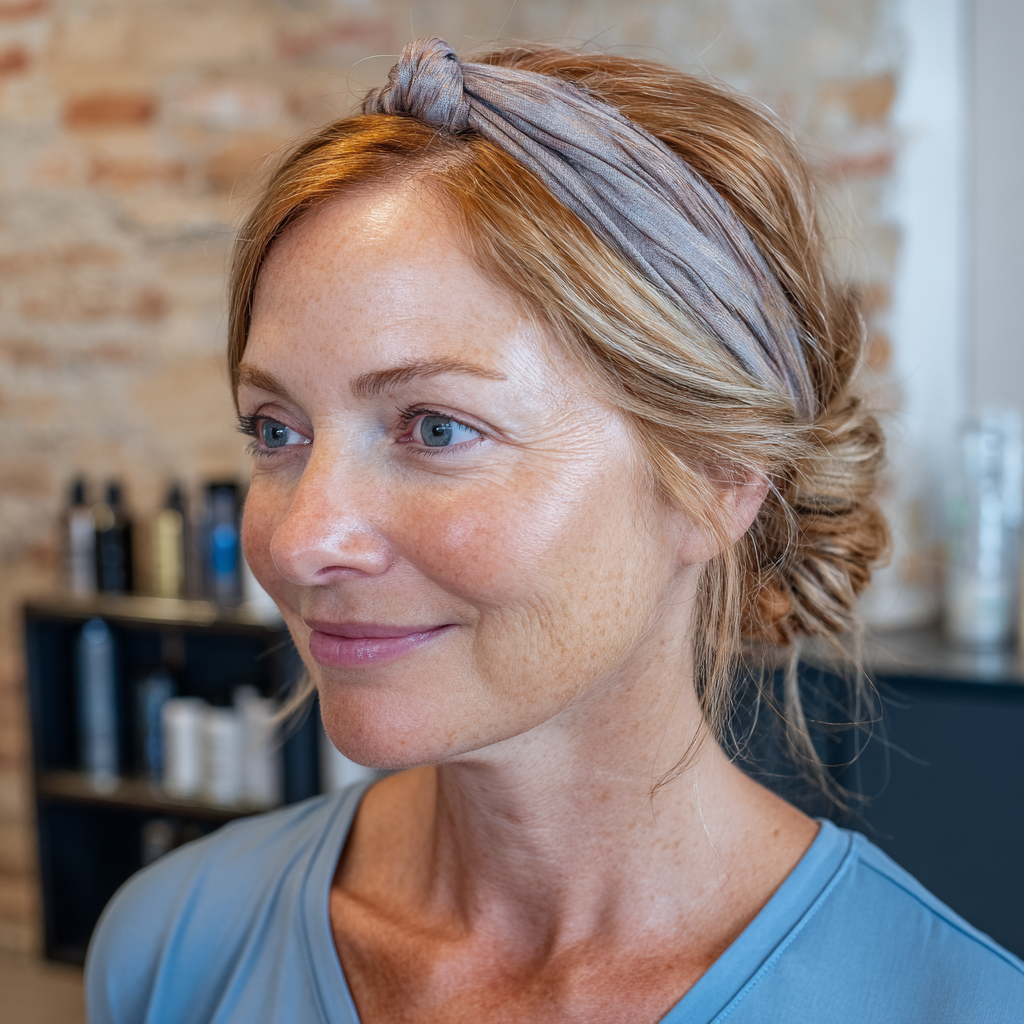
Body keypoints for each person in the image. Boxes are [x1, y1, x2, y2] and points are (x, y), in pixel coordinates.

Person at [86, 38, 1024, 1023]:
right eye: (276, 430)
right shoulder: (173, 947)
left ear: (714, 478)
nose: (301, 539)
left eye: (434, 428)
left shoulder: (949, 1004)